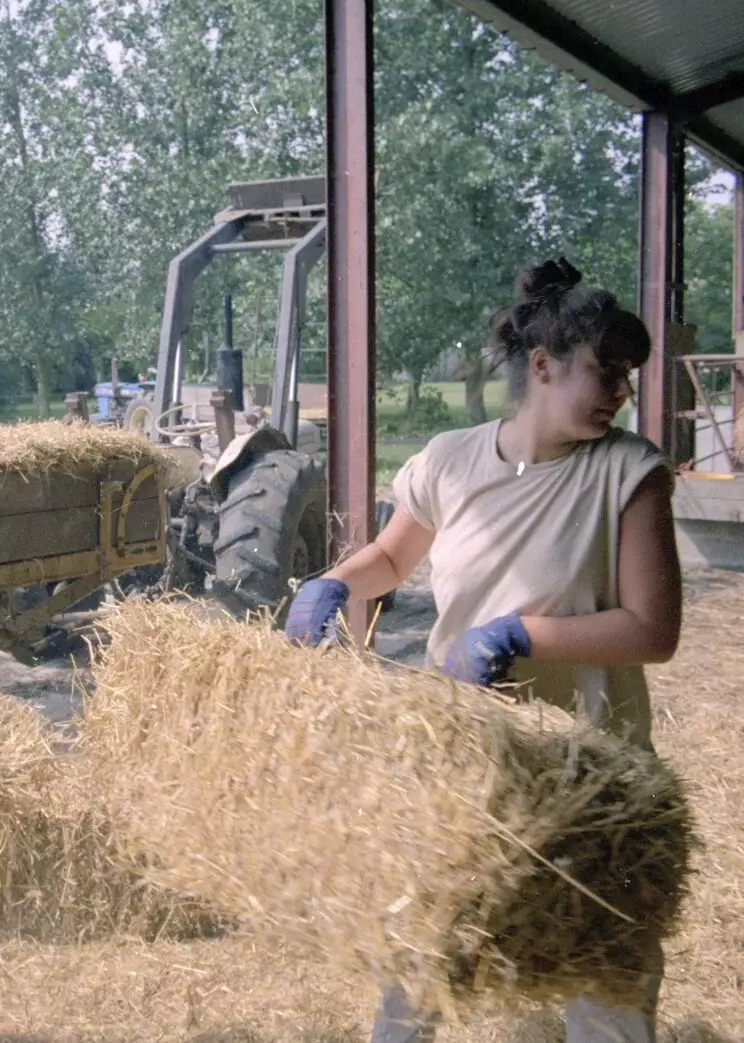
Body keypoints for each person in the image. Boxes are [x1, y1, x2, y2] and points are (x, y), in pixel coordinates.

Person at [285, 257, 681, 1043]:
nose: (622, 393)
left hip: (591, 776)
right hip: (464, 761)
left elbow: (651, 630)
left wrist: (519, 632)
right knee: (418, 965)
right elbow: (394, 559)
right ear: (542, 365)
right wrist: (330, 580)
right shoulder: (449, 460)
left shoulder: (631, 474)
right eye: (606, 372)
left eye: (628, 376)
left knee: (604, 983)